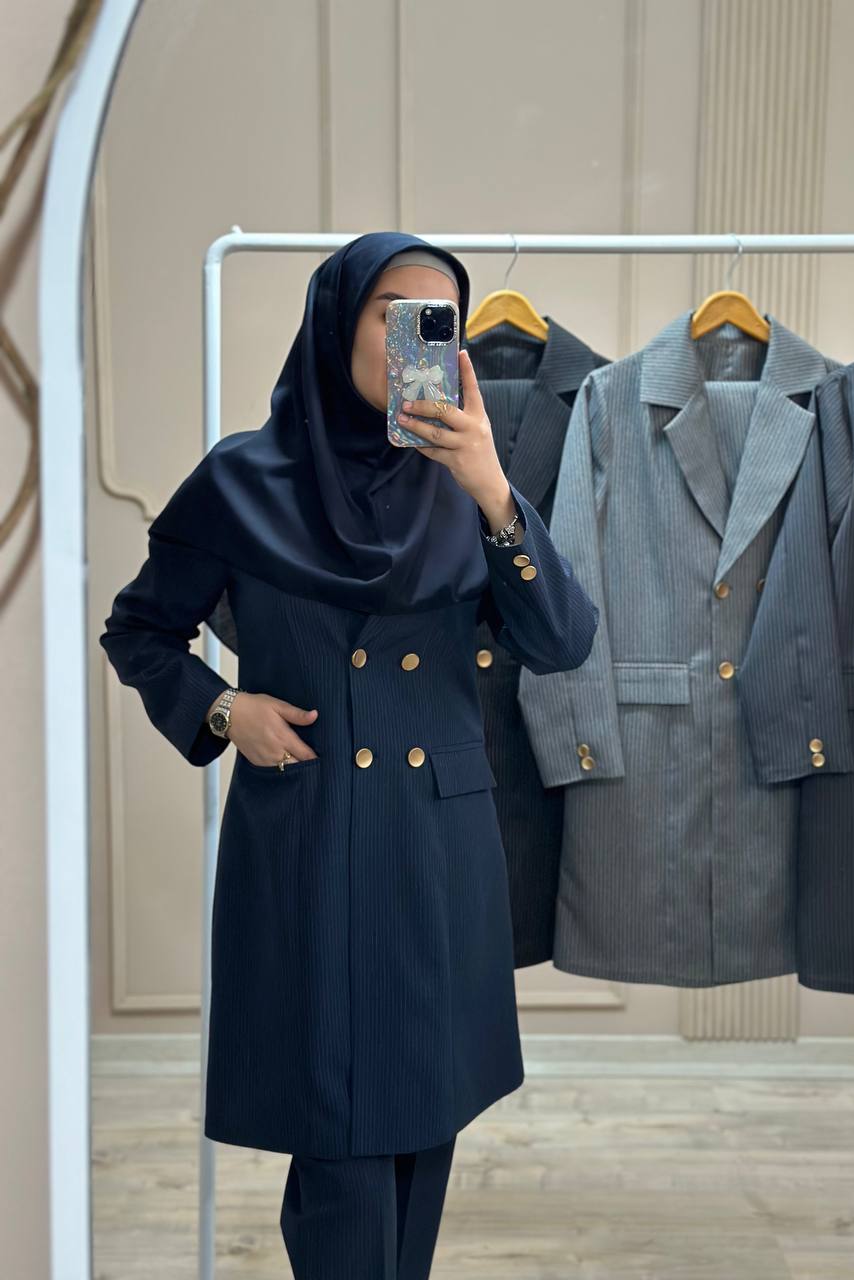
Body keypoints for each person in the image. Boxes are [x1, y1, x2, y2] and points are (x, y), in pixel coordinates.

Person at [99, 231, 599, 1278]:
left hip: (437, 849)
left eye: (439, 320)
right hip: (314, 838)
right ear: (336, 324)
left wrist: (494, 490)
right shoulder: (241, 480)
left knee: (422, 1130)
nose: (420, 337)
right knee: (343, 1144)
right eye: (393, 312)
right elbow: (139, 629)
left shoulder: (466, 481)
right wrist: (224, 709)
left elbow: (561, 641)